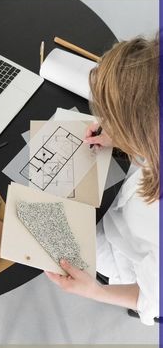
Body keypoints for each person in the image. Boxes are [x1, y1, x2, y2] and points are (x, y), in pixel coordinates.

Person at [45, 36, 159, 326]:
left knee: (40, 225)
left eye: (113, 119)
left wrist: (93, 290)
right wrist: (118, 136)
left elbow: (149, 301)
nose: (103, 122)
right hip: (124, 209)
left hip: (123, 257)